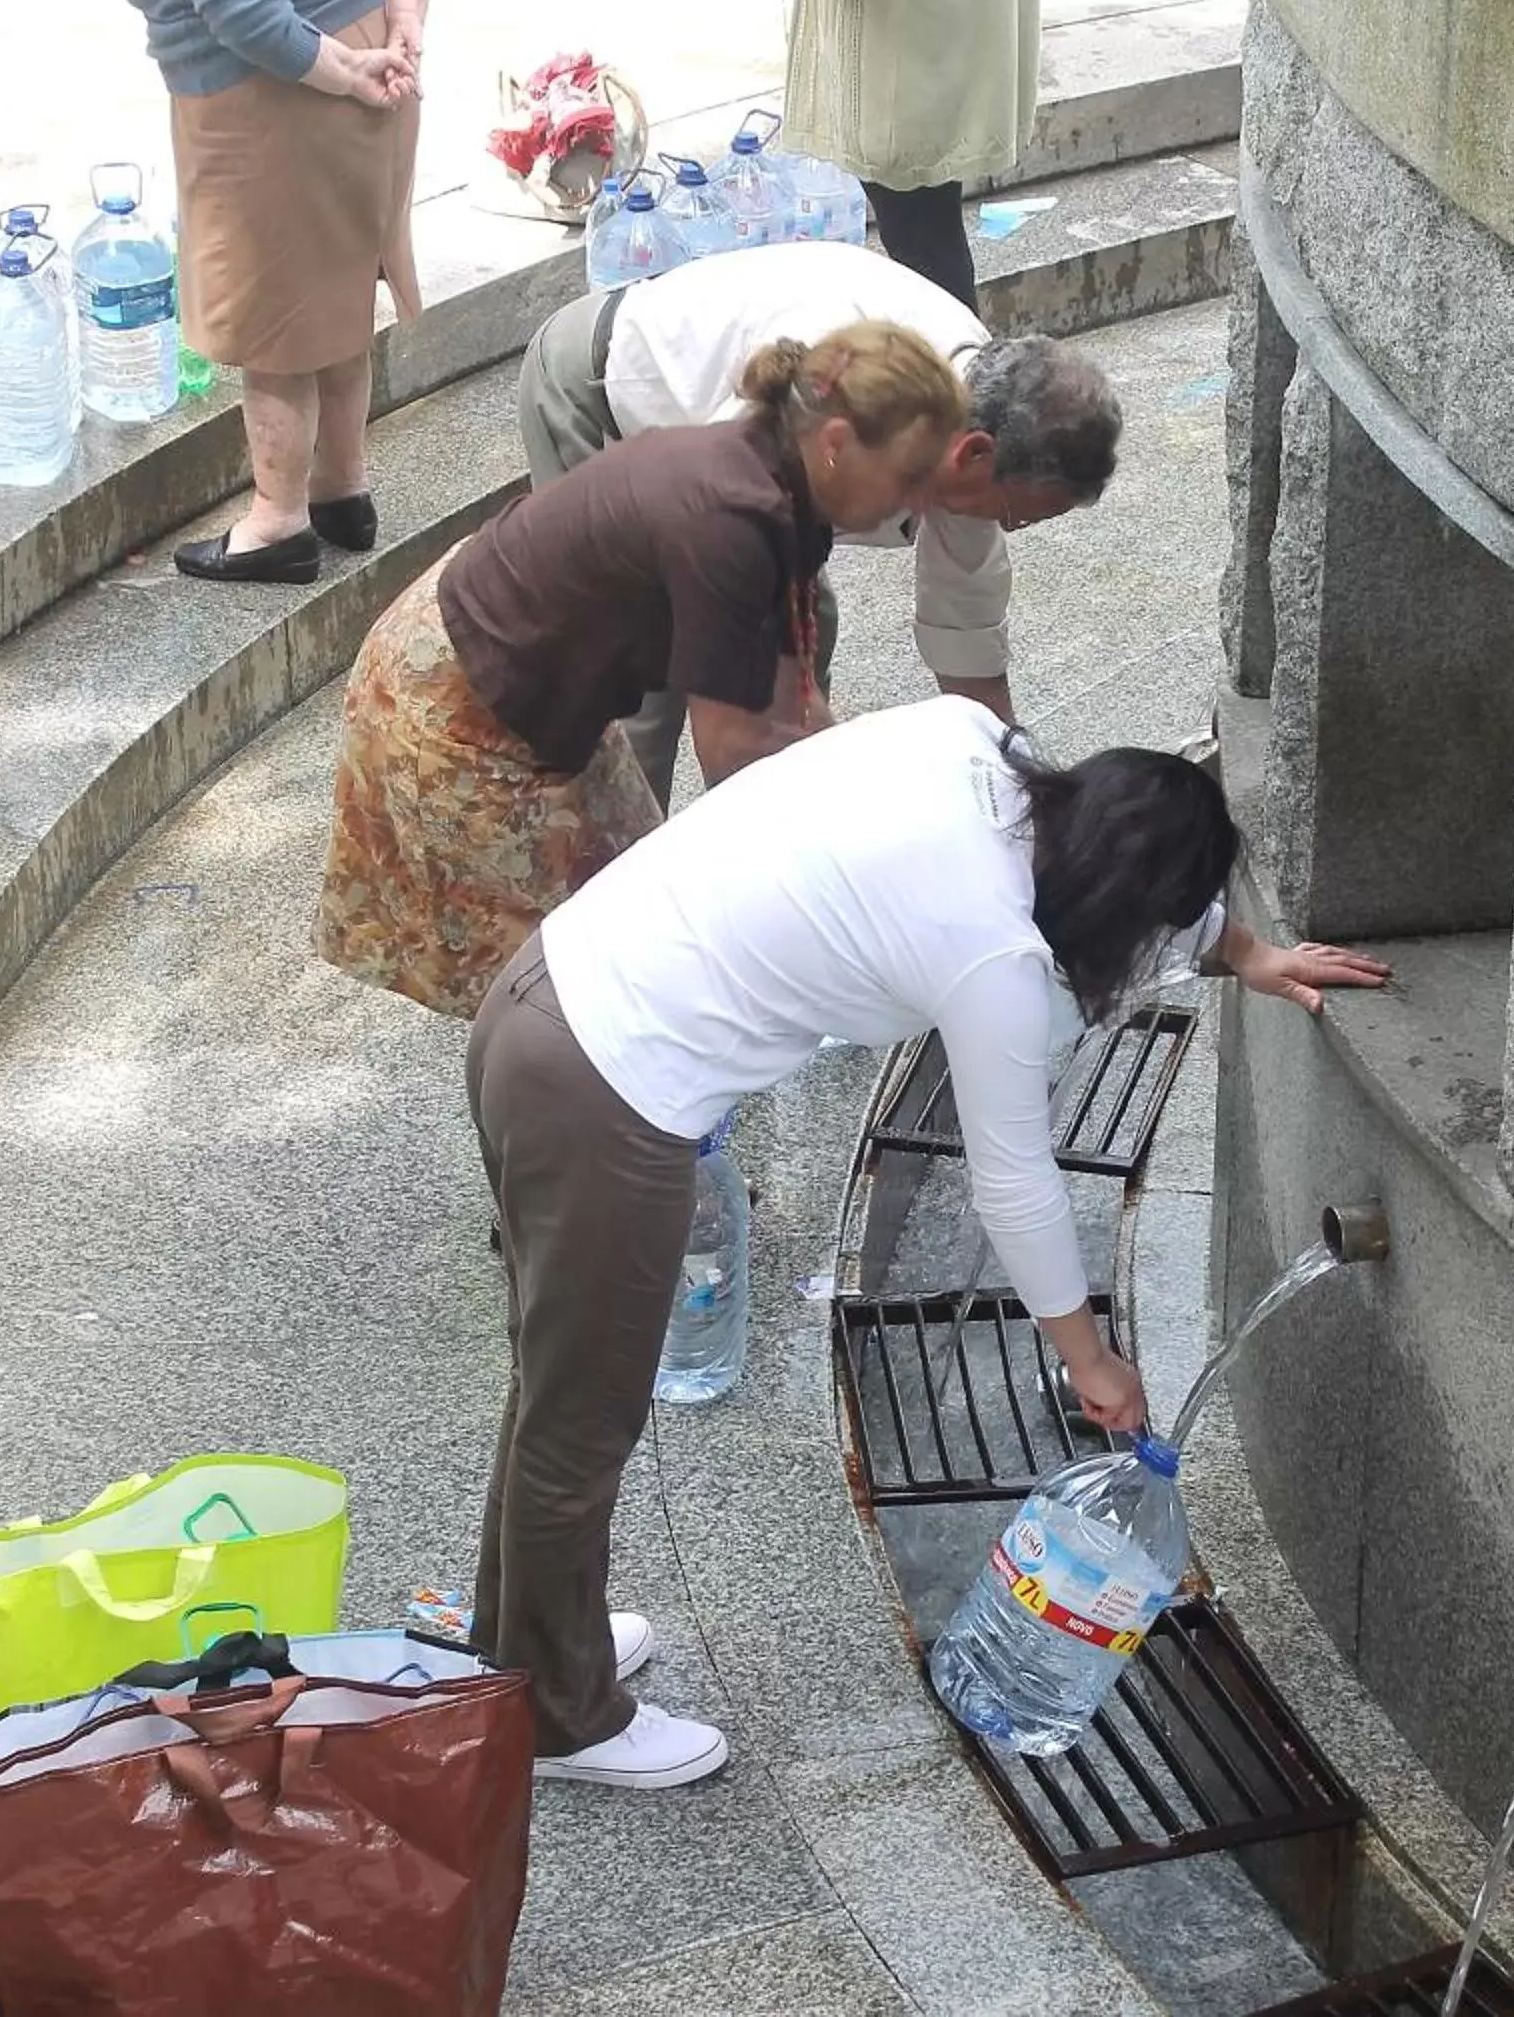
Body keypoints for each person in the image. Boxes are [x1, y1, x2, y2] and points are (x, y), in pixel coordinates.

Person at [467, 696, 1390, 1786]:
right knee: (580, 1425)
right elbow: (1016, 1186)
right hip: (609, 1091)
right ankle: (562, 1720)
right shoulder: (994, 956)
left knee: (555, 1397)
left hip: (542, 995)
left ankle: (524, 1649)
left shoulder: (972, 744)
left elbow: (1124, 874)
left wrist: (1252, 952)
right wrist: (1090, 1359)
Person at [313, 321, 965, 1018]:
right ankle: (551, 1120)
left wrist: (884, 799)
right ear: (835, 444)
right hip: (454, 699)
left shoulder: (779, 482)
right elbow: (739, 762)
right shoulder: (731, 522)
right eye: (912, 475)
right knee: (562, 985)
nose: (923, 501)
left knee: (637, 920)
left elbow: (791, 704)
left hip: (518, 663)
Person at [518, 238, 1120, 804]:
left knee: (809, 625)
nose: (1002, 529)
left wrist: (1017, 790)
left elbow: (965, 619)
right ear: (974, 454)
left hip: (720, 470)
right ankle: (621, 880)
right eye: (1014, 517)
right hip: (601, 391)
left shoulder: (967, 406)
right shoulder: (784, 451)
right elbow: (731, 735)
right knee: (643, 684)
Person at [123, 0, 433, 585]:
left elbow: (248, 13)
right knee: (340, 294)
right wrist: (403, 20)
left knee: (277, 333)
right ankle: (343, 491)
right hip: (377, 60)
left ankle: (277, 521)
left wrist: (346, 73)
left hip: (274, 96)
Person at [776, 0, 1036, 309]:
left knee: (925, 259)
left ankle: (951, 371)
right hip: (943, 36)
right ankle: (958, 367)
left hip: (904, 68)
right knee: (930, 242)